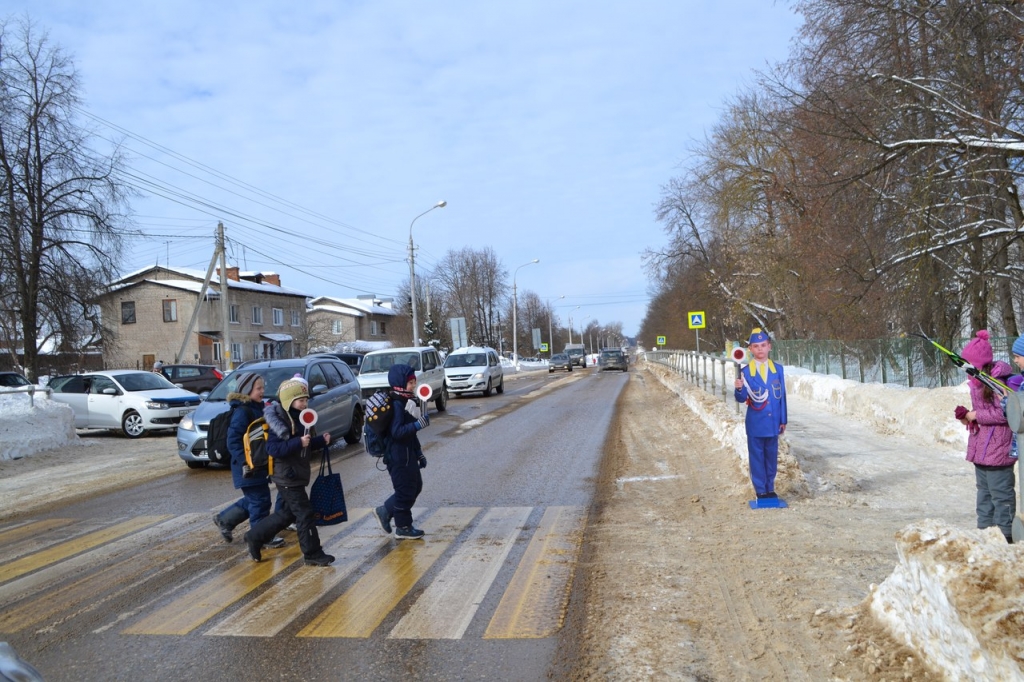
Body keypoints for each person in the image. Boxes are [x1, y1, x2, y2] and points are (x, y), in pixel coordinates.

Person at [243, 378, 335, 566]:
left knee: (287, 514)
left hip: (295, 473)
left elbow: (305, 443)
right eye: (300, 400)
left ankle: (255, 537)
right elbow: (274, 449)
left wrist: (320, 441)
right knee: (305, 514)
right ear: (288, 401)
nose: (304, 404)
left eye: (306, 400)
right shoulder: (281, 420)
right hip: (287, 475)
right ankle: (312, 554)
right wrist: (298, 442)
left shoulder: (301, 418)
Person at [211, 372, 284, 549]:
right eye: (258, 388)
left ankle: (225, 519)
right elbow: (233, 441)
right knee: (260, 501)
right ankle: (260, 536)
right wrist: (246, 461)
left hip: (257, 464)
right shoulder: (243, 412)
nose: (262, 391)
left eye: (263, 388)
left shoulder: (256, 408)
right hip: (247, 467)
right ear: (247, 390)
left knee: (254, 499)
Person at [956, 330, 1016, 543]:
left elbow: (1006, 413)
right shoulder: (977, 383)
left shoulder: (998, 383)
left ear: (979, 365)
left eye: (969, 366)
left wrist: (976, 415)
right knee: (984, 494)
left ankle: (1006, 536)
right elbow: (982, 414)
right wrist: (968, 417)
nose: (966, 371)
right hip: (982, 448)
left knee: (1001, 494)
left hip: (998, 448)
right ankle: (984, 532)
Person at [372, 363, 429, 539]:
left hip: (407, 454)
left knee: (415, 487)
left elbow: (410, 434)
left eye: (414, 382)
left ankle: (386, 510)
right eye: (411, 383)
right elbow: (397, 432)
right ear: (400, 383)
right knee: (405, 491)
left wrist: (418, 452)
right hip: (397, 456)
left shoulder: (405, 401)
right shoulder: (396, 404)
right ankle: (403, 527)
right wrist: (417, 424)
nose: (414, 386)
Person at [733, 327, 787, 500]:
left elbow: (782, 397)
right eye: (756, 346)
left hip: (773, 423)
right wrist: (739, 387)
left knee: (771, 458)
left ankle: (770, 487)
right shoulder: (746, 372)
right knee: (757, 457)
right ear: (750, 349)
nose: (760, 349)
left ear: (769, 346)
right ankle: (760, 490)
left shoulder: (777, 369)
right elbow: (741, 399)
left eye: (763, 345)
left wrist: (783, 419)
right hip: (756, 423)